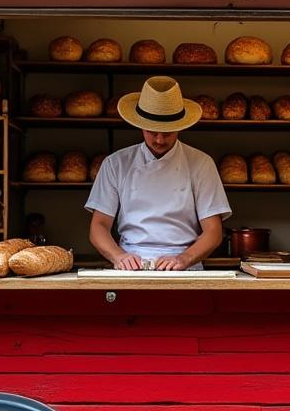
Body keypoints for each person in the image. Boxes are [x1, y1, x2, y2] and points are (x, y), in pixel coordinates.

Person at [85, 76, 231, 271]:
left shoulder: (201, 163)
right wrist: (118, 256)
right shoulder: (116, 163)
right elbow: (99, 226)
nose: (160, 140)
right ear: (140, 125)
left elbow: (213, 231)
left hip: (185, 264)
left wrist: (184, 259)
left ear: (180, 127)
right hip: (131, 263)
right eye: (152, 131)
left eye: (168, 132)